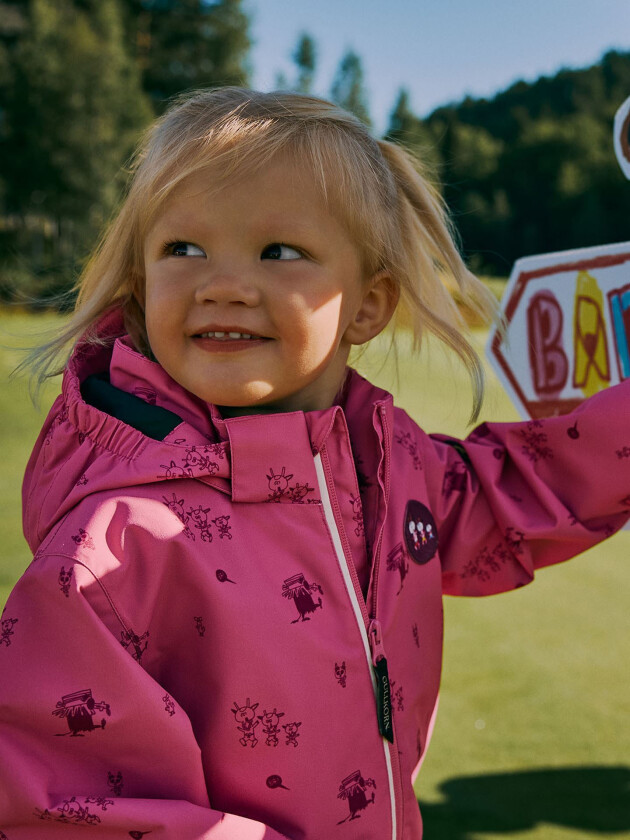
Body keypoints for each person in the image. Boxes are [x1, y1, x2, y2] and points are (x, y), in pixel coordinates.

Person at [0, 87, 628, 839]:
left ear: (368, 306)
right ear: (140, 279)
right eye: (183, 248)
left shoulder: (390, 471)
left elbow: (526, 492)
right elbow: (68, 811)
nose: (223, 284)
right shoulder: (110, 553)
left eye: (280, 252)